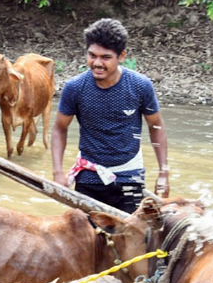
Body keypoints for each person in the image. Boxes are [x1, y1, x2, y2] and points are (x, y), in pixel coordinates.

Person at [51, 17, 169, 214]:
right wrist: (58, 173)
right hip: (89, 174)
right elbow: (59, 128)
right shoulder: (75, 88)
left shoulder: (140, 86)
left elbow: (156, 126)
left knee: (131, 233)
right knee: (86, 234)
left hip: (130, 174)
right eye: (92, 55)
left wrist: (163, 172)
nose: (97, 63)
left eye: (105, 57)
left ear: (121, 56)